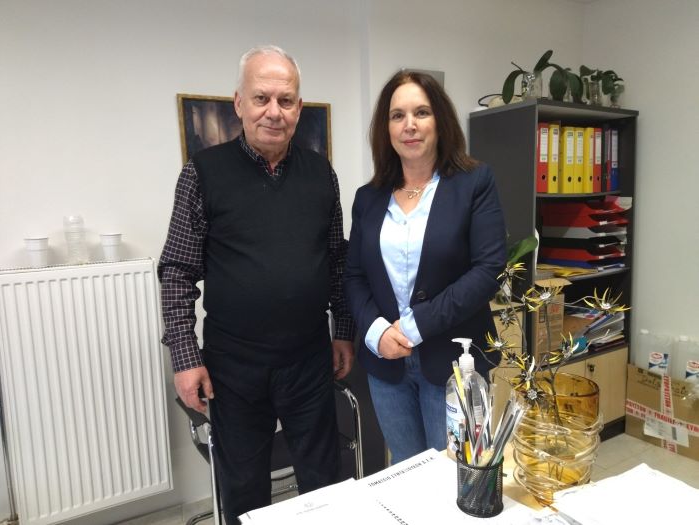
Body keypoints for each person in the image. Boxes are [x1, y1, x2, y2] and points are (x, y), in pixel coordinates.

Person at [158, 45, 355, 523]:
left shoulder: (321, 174)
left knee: (325, 483)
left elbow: (337, 261)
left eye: (285, 101)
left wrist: (344, 331)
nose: (274, 111)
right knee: (243, 489)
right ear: (239, 103)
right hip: (234, 366)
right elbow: (177, 270)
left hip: (309, 358)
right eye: (261, 98)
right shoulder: (202, 173)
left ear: (299, 108)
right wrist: (185, 358)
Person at [344, 71, 506, 464]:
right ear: (386, 129)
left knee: (458, 473)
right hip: (387, 365)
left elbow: (488, 269)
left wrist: (417, 324)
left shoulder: (474, 182)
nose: (409, 125)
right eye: (397, 115)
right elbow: (354, 275)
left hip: (454, 362)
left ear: (440, 120)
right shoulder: (368, 198)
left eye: (421, 112)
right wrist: (375, 331)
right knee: (405, 469)